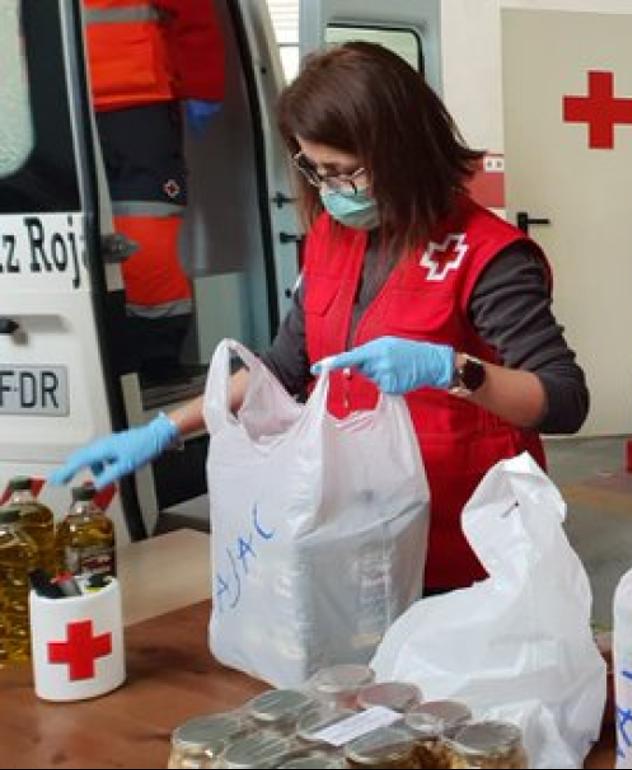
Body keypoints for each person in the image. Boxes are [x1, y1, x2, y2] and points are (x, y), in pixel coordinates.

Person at [52, 42, 589, 592]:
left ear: (403, 154)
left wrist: (452, 369)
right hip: (364, 532)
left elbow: (564, 399)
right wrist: (165, 429)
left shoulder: (487, 255)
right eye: (316, 171)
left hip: (468, 545)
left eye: (344, 172)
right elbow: (283, 367)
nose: (331, 189)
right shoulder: (332, 239)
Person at [85, 0, 226, 382]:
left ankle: (136, 353)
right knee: (144, 225)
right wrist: (202, 87)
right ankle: (149, 354)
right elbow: (193, 15)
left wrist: (202, 85)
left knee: (134, 229)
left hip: (60, 101)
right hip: (131, 101)